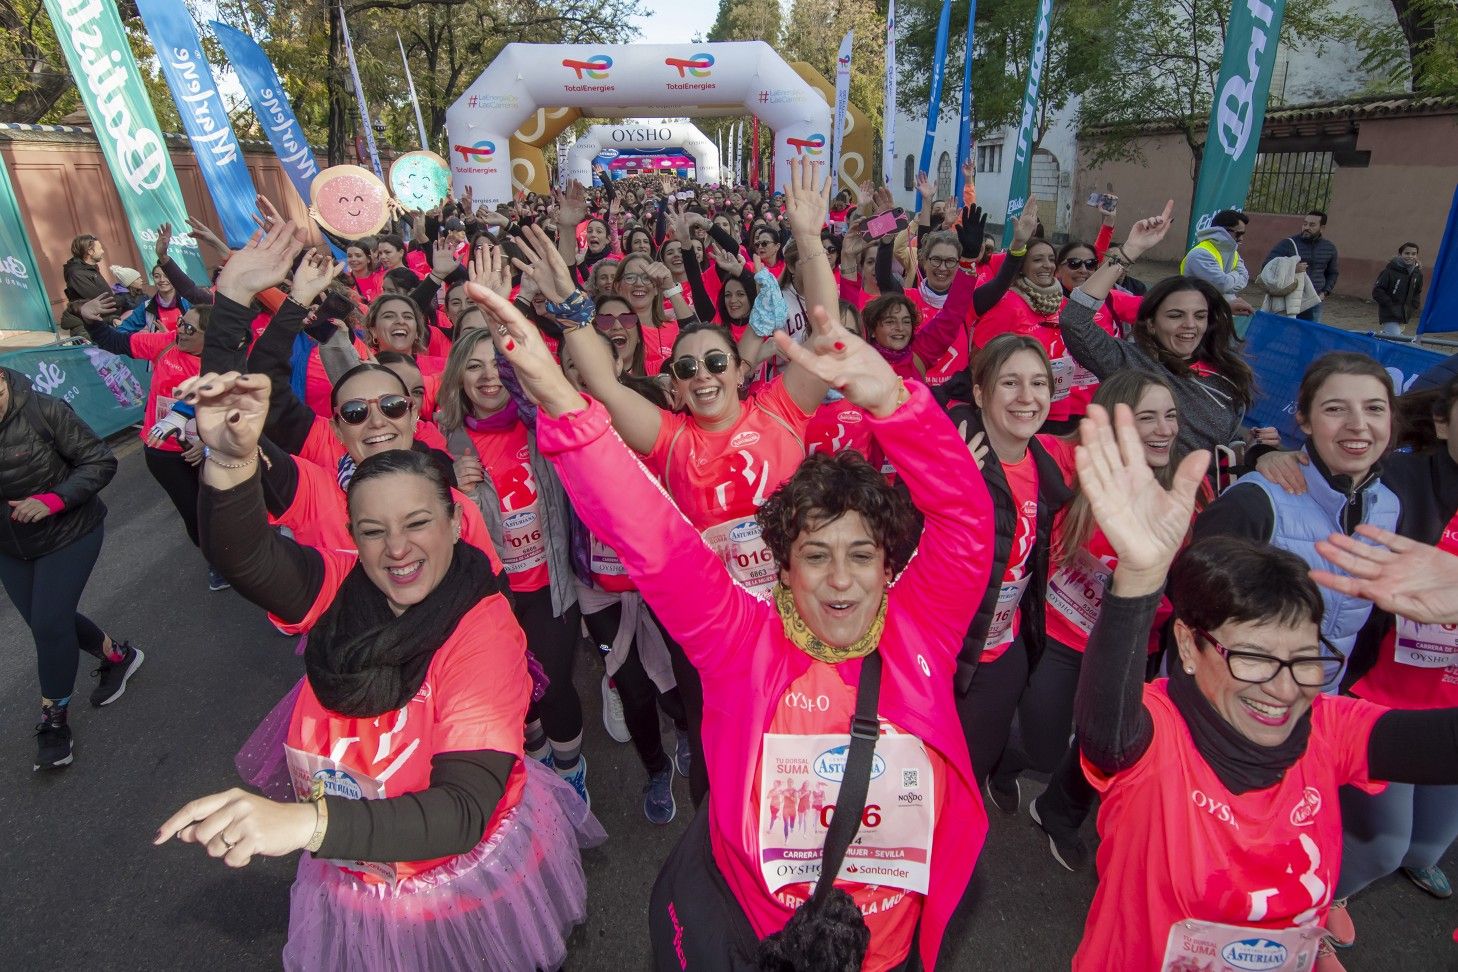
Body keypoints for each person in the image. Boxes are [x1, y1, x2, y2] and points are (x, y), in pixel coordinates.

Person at [479, 271, 993, 971]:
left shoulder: (921, 632)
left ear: (887, 565)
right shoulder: (736, 640)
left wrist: (894, 402)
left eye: (861, 556)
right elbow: (650, 532)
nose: (840, 579)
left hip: (892, 953)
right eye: (816, 555)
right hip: (756, 940)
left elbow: (967, 520)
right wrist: (560, 395)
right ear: (784, 567)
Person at [156, 372, 603, 971]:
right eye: (373, 532)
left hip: (454, 881)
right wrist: (233, 462)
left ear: (455, 521)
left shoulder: (484, 632)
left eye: (417, 524)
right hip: (357, 859)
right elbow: (248, 560)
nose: (396, 548)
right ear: (353, 539)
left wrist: (304, 824)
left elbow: (462, 811)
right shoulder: (343, 584)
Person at [1063, 401, 1458, 970]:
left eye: (1303, 660)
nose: (1282, 688)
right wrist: (1140, 578)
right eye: (1252, 657)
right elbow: (1104, 730)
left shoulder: (1328, 727)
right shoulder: (1155, 737)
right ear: (1189, 648)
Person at [1028, 369, 1209, 871]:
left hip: (1133, 648)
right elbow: (1010, 436)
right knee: (1040, 745)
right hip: (1061, 636)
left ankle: (1058, 812)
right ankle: (1008, 760)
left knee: (1103, 746)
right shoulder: (1075, 465)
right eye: (1146, 417)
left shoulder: (1192, 490)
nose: (1163, 429)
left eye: (1170, 416)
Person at [435, 328, 588, 804]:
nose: (487, 376)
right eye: (474, 365)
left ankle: (571, 769)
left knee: (555, 685)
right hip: (492, 597)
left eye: (496, 364)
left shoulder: (539, 425)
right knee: (512, 686)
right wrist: (449, 488)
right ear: (458, 375)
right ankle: (537, 753)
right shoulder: (443, 441)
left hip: (550, 587)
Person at [1195, 352, 1399, 682]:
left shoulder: (1389, 505)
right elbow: (1196, 616)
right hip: (1236, 703)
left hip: (1321, 706)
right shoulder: (1254, 502)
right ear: (1303, 419)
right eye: (1335, 409)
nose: (1358, 424)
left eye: (1374, 408)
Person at [948, 335, 1075, 807]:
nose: (1028, 397)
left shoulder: (1049, 465)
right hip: (944, 658)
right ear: (980, 393)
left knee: (966, 780)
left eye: (1038, 382)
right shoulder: (950, 457)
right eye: (1011, 383)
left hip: (1004, 652)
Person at [0, 367, 137, 770]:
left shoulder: (43, 410)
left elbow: (100, 461)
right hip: (11, 547)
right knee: (49, 620)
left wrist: (52, 500)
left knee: (47, 623)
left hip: (69, 532)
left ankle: (54, 719)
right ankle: (118, 657)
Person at [1060, 201, 1256, 457]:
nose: (1189, 325)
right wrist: (1131, 249)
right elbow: (1075, 322)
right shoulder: (1132, 363)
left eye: (1199, 315)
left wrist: (1251, 447)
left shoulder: (1228, 369)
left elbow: (1219, 437)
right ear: (1151, 324)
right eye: (1175, 315)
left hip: (1203, 493)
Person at [1264, 211, 1339, 322]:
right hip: (1287, 299)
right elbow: (1267, 267)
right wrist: (1292, 269)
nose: (1307, 227)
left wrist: (1325, 292)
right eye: (1305, 224)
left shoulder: (1329, 248)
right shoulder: (1288, 244)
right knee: (1281, 333)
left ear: (1322, 228)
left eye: (1312, 225)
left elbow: (1333, 273)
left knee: (1309, 336)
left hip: (1314, 301)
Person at [1181, 209, 1254, 315]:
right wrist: (1235, 276)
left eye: (1243, 234)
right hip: (1197, 313)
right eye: (1239, 234)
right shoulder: (1200, 254)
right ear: (1222, 231)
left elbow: (1245, 277)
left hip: (1219, 312)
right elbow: (1222, 285)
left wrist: (1228, 280)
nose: (1241, 238)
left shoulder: (1233, 253)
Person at [1373, 242, 1423, 336]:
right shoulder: (1389, 272)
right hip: (1389, 314)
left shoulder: (1417, 274)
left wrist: (1413, 305)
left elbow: (1417, 292)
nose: (1410, 256)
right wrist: (1391, 305)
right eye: (1407, 253)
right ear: (1400, 254)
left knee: (1391, 339)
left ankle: (1382, 338)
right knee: (1397, 339)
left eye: (1413, 254)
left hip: (1404, 314)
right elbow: (1377, 291)